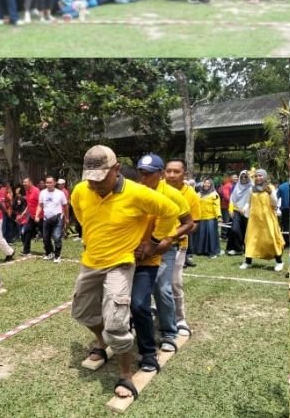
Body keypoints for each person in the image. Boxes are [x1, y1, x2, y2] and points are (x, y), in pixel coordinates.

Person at [70, 145, 180, 401]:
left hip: (120, 263)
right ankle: (103, 341)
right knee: (82, 313)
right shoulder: (80, 190)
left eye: (101, 179)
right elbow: (80, 215)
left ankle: (126, 373)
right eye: (91, 179)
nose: (95, 185)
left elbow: (171, 211)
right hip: (91, 261)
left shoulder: (137, 193)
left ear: (116, 169)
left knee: (117, 322)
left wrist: (153, 240)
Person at [133, 154, 193, 359]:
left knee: (162, 288)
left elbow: (189, 223)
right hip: (138, 247)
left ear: (159, 175)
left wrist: (169, 237)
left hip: (164, 249)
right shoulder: (137, 191)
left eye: (148, 174)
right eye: (141, 172)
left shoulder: (173, 195)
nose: (143, 177)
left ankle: (169, 331)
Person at [164, 158, 201, 336]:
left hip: (178, 245)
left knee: (175, 283)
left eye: (176, 171)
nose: (171, 175)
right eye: (168, 171)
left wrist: (172, 234)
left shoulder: (191, 195)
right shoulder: (156, 189)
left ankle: (180, 319)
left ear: (184, 174)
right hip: (153, 245)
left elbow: (194, 224)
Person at [240, 169, 284, 271]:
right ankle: (248, 261)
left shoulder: (270, 188)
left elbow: (275, 203)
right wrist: (244, 208)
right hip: (254, 219)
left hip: (267, 218)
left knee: (271, 239)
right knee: (251, 239)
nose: (258, 178)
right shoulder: (251, 189)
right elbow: (248, 202)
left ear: (264, 177)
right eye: (256, 176)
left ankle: (279, 262)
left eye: (260, 176)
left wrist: (270, 193)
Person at [37, 175, 69, 263]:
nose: (48, 184)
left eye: (50, 182)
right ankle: (49, 253)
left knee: (56, 237)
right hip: (46, 219)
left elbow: (65, 206)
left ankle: (57, 255)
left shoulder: (60, 193)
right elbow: (40, 205)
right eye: (47, 182)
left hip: (58, 218)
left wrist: (66, 218)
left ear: (54, 183)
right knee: (45, 238)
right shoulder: (42, 193)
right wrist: (37, 215)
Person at [194, 178, 221, 257]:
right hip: (201, 217)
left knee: (211, 235)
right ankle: (201, 251)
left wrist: (219, 216)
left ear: (211, 184)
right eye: (205, 183)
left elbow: (217, 206)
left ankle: (213, 252)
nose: (206, 184)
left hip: (211, 218)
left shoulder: (214, 194)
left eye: (208, 183)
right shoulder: (199, 194)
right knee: (201, 235)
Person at [227, 170, 252, 255]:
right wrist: (230, 209)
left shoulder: (251, 187)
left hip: (248, 211)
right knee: (235, 229)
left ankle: (247, 249)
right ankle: (238, 248)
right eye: (242, 177)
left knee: (247, 231)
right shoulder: (236, 187)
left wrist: (245, 208)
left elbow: (251, 200)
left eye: (245, 177)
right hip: (236, 210)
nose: (243, 178)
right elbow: (232, 199)